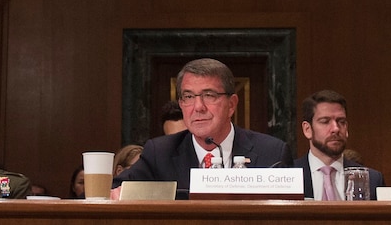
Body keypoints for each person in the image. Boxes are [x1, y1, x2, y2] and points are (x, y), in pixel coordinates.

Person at [112, 58, 293, 198]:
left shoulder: (272, 154)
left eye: (209, 95)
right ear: (181, 104)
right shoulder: (160, 153)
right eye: (189, 97)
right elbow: (115, 190)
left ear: (231, 105)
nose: (198, 107)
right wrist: (121, 194)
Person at [293, 90, 384, 200]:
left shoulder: (372, 180)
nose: (336, 129)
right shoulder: (288, 177)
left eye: (341, 121)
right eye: (325, 121)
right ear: (307, 129)